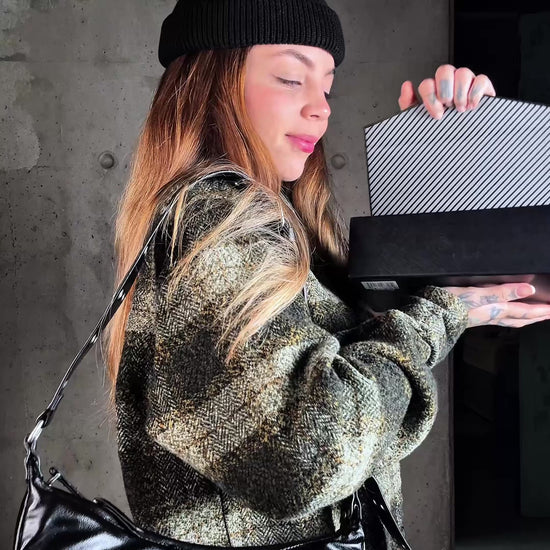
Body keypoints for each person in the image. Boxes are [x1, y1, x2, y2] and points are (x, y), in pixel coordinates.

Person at [103, 1, 550, 549]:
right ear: (209, 83)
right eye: (291, 78)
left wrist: (452, 155)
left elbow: (356, 383)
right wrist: (432, 319)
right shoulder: (215, 223)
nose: (320, 109)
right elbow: (306, 455)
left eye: (328, 87)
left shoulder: (277, 224)